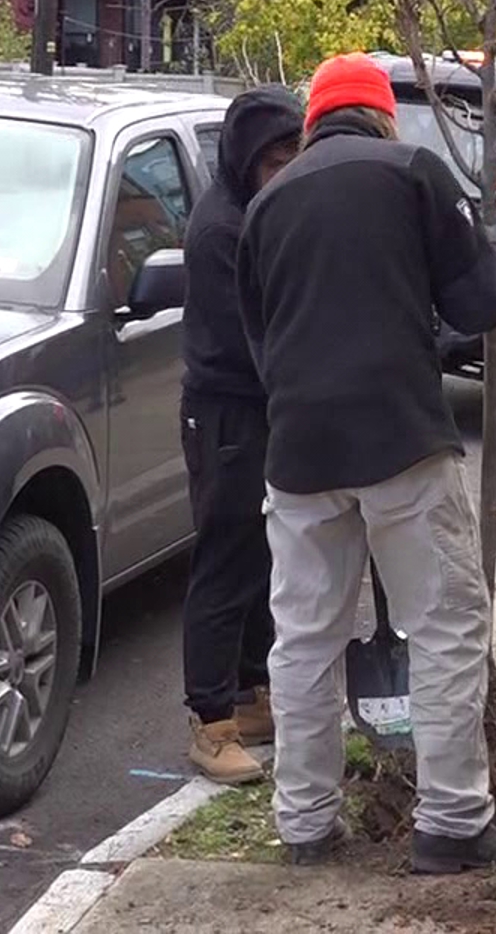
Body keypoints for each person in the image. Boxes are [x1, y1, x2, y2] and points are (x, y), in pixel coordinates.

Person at [236, 53, 496, 873]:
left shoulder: (266, 205)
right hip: (399, 439)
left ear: (313, 125)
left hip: (298, 452)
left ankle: (305, 825)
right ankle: (450, 823)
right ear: (381, 116)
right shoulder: (412, 171)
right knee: (443, 626)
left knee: (303, 640)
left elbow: (262, 341)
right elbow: (480, 302)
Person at [179, 86, 304, 785]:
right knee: (226, 560)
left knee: (261, 552)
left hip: (258, 407)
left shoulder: (261, 213)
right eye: (273, 160)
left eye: (294, 156)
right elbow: (253, 339)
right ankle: (209, 720)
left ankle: (252, 694)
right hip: (227, 412)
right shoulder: (222, 230)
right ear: (245, 160)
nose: (285, 171)